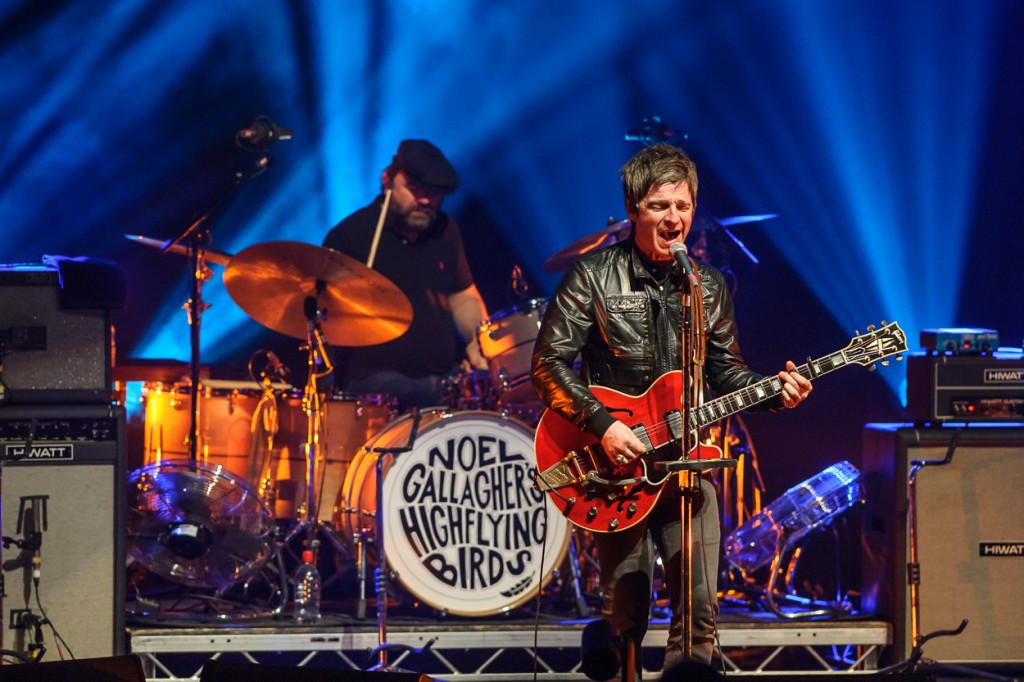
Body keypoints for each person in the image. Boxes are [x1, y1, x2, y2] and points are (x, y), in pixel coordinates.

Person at [531, 143, 813, 674]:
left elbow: (727, 374)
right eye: (661, 206)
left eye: (683, 206)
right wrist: (605, 426)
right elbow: (547, 365)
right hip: (618, 469)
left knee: (701, 608)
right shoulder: (593, 276)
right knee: (627, 614)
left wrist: (777, 392)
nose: (674, 218)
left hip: (690, 467)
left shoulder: (707, 286)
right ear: (634, 209)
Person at [323, 139, 489, 411]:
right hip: (374, 385)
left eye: (433, 194)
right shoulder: (351, 236)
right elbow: (326, 317)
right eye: (414, 189)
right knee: (408, 394)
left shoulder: (446, 230)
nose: (424, 200)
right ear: (387, 180)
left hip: (443, 378)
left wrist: (477, 341)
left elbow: (462, 296)